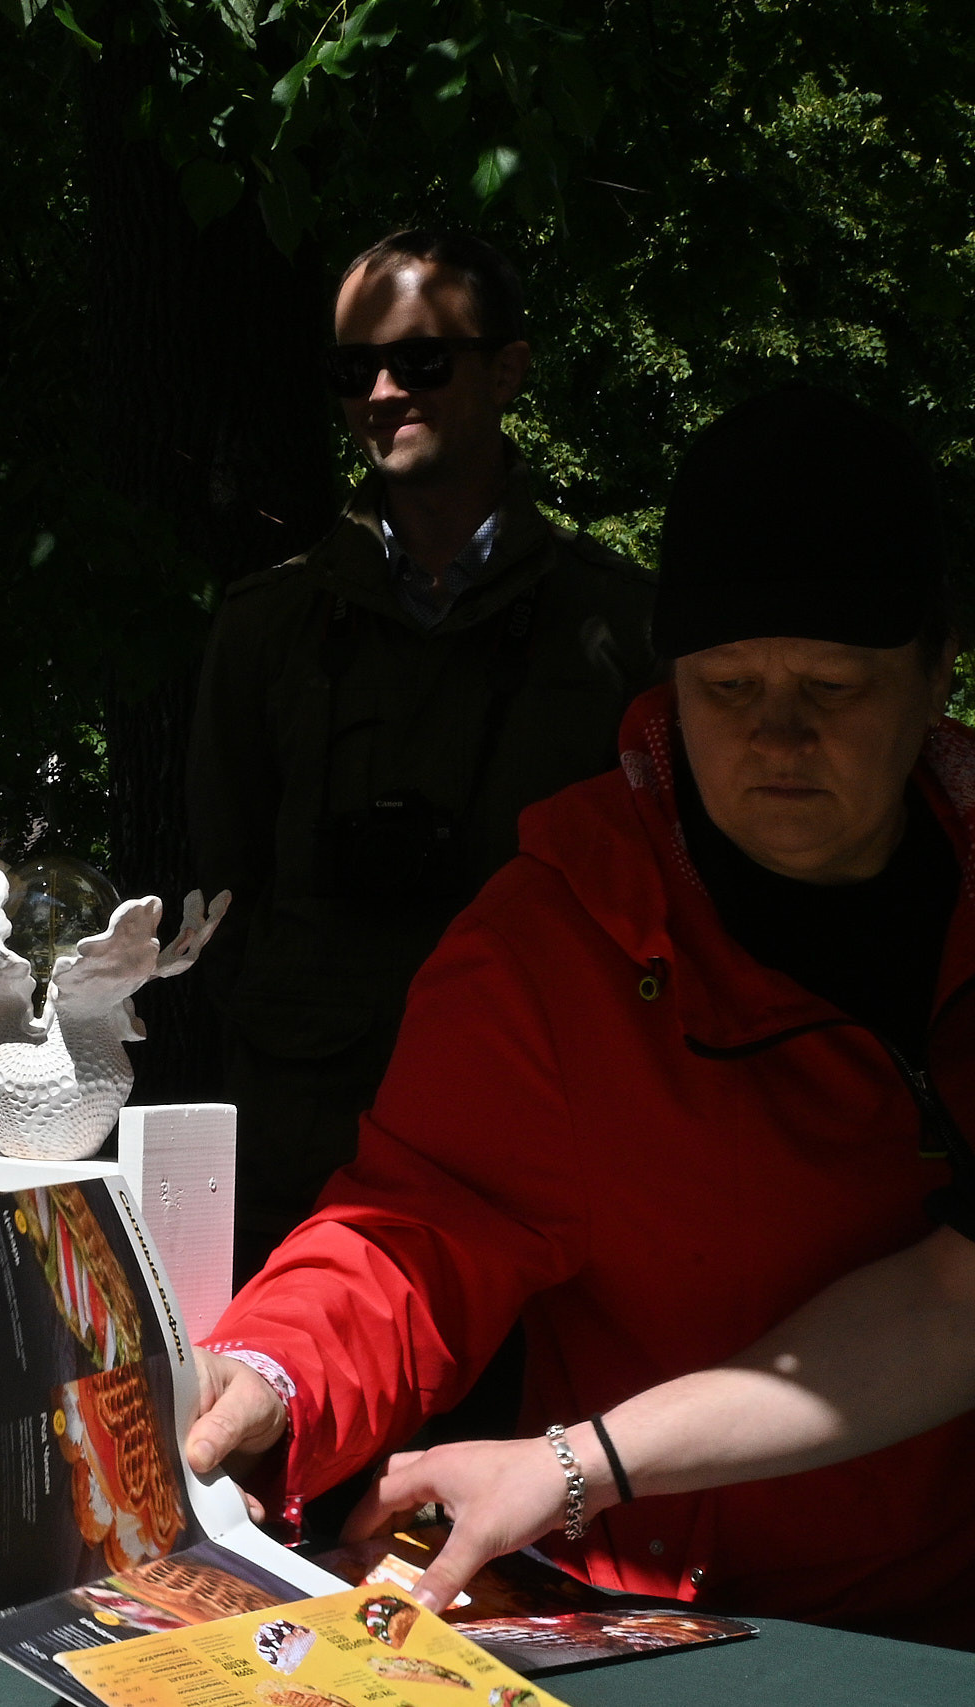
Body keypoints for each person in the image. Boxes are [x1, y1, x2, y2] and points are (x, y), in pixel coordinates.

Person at [183, 387, 975, 1644]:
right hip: (669, 1623)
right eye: (726, 687)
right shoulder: (559, 936)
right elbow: (416, 1225)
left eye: (831, 687)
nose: (777, 734)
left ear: (937, 671)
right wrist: (272, 1368)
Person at [188, 229, 658, 1272]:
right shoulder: (268, 628)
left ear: (508, 370)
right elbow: (220, 896)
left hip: (545, 1149)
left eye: (422, 361)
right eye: (352, 370)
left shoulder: (622, 632)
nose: (383, 392)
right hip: (304, 1157)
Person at [348, 1218, 975, 1612]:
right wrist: (279, 1375)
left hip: (891, 1606)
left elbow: (953, 1306)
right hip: (588, 1586)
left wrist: (568, 1465)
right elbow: (423, 1205)